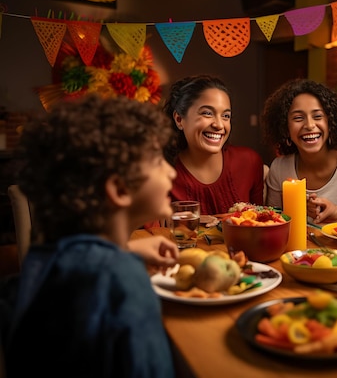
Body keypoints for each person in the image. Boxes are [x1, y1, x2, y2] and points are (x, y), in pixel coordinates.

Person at [4, 94, 180, 376]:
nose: (171, 172)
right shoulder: (122, 279)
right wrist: (124, 263)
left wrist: (125, 252)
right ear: (120, 190)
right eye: (159, 162)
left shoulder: (45, 258)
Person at [262, 78, 337, 223]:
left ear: (330, 122)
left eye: (317, 116)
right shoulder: (279, 168)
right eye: (298, 118)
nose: (309, 125)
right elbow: (272, 221)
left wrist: (336, 211)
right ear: (285, 127)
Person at [163, 74, 264, 215]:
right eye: (207, 113)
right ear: (179, 119)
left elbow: (261, 224)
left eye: (225, 116)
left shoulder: (249, 162)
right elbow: (151, 233)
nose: (219, 125)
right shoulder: (161, 172)